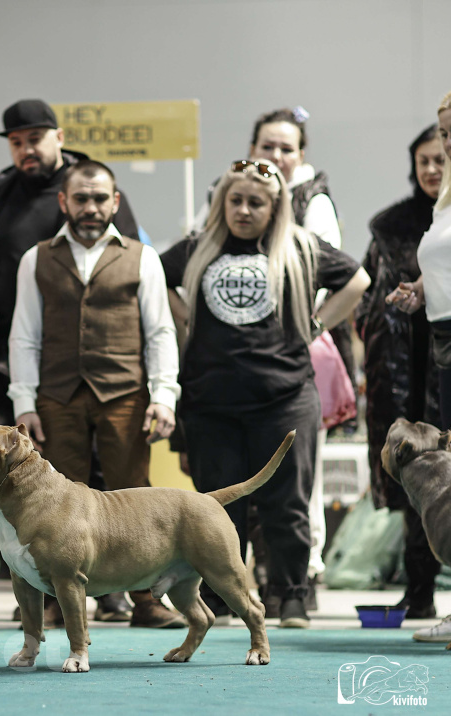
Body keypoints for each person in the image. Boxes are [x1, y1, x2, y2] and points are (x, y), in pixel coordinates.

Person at [160, 160, 369, 629]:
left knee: (286, 504)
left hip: (285, 396)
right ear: (222, 203)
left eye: (256, 202)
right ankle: (219, 596)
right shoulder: (198, 249)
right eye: (235, 200)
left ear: (274, 208)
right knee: (217, 506)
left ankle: (290, 596)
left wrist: (315, 326)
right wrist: (183, 317)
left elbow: (358, 280)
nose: (244, 210)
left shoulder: (300, 248)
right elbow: (153, 276)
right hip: (211, 401)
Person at [9, 160, 184, 629]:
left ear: (116, 202)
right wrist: (24, 402)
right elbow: (24, 336)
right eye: (81, 198)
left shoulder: (144, 258)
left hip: (126, 394)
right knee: (48, 503)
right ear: (63, 201)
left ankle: (145, 600)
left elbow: (161, 332)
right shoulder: (36, 258)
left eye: (100, 198)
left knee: (135, 502)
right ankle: (53, 598)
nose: (91, 207)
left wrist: (164, 394)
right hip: (57, 396)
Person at [0, 99, 140, 428]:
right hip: (13, 355)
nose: (26, 149)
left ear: (58, 137)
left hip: (93, 360)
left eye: (35, 139)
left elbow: (127, 267)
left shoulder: (95, 193)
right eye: (16, 143)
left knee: (102, 476)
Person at [356, 125, 444, 620]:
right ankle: (420, 589)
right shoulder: (388, 226)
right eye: (422, 161)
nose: (431, 169)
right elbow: (371, 299)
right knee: (416, 474)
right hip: (401, 366)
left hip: (443, 359)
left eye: (439, 159)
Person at [385, 90, 451, 647]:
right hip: (445, 342)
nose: (446, 146)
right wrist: (424, 292)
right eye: (444, 133)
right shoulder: (447, 198)